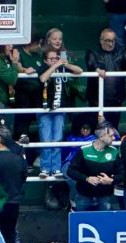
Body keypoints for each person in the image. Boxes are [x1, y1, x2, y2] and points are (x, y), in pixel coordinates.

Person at [84, 27, 126, 128]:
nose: (111, 43)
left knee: (113, 127)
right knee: (97, 128)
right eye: (107, 40)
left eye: (113, 41)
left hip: (116, 99)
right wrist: (97, 70)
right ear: (101, 40)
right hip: (96, 99)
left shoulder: (120, 51)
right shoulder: (92, 51)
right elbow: (91, 63)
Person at [37, 47, 83, 180]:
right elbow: (43, 78)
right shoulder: (43, 68)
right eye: (51, 59)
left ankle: (56, 167)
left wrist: (65, 63)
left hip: (59, 110)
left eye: (56, 58)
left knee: (57, 139)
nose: (54, 61)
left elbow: (79, 71)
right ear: (45, 60)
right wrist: (54, 66)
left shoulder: (62, 68)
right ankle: (45, 168)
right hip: (45, 110)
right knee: (46, 139)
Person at [68, 121, 122, 211]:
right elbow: (70, 171)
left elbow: (122, 174)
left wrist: (111, 180)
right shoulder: (84, 151)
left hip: (105, 197)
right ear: (101, 136)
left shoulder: (114, 152)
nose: (114, 138)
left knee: (105, 223)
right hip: (84, 196)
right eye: (111, 135)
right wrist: (87, 178)